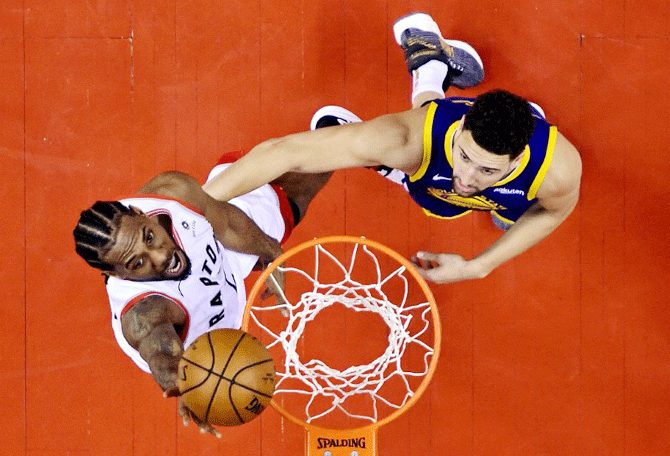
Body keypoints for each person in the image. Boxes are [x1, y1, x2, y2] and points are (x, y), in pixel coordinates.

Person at [202, 12, 582, 285]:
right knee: (423, 154)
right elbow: (283, 153)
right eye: (465, 156)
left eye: (487, 170)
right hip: (424, 145)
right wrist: (191, 208)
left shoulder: (557, 172)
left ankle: (432, 61)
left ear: (517, 158)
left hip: (488, 168)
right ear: (463, 124)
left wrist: (475, 267)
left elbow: (551, 214)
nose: (464, 177)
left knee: (510, 208)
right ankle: (429, 66)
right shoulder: (404, 139)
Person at [73, 151, 331, 437]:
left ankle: (318, 136)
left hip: (220, 258)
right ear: (117, 274)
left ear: (140, 213)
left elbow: (228, 223)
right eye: (137, 263)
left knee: (289, 205)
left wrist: (272, 254)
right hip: (206, 337)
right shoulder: (144, 314)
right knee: (287, 194)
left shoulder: (171, 192)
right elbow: (160, 354)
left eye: (149, 237)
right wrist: (185, 384)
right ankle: (241, 170)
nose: (159, 256)